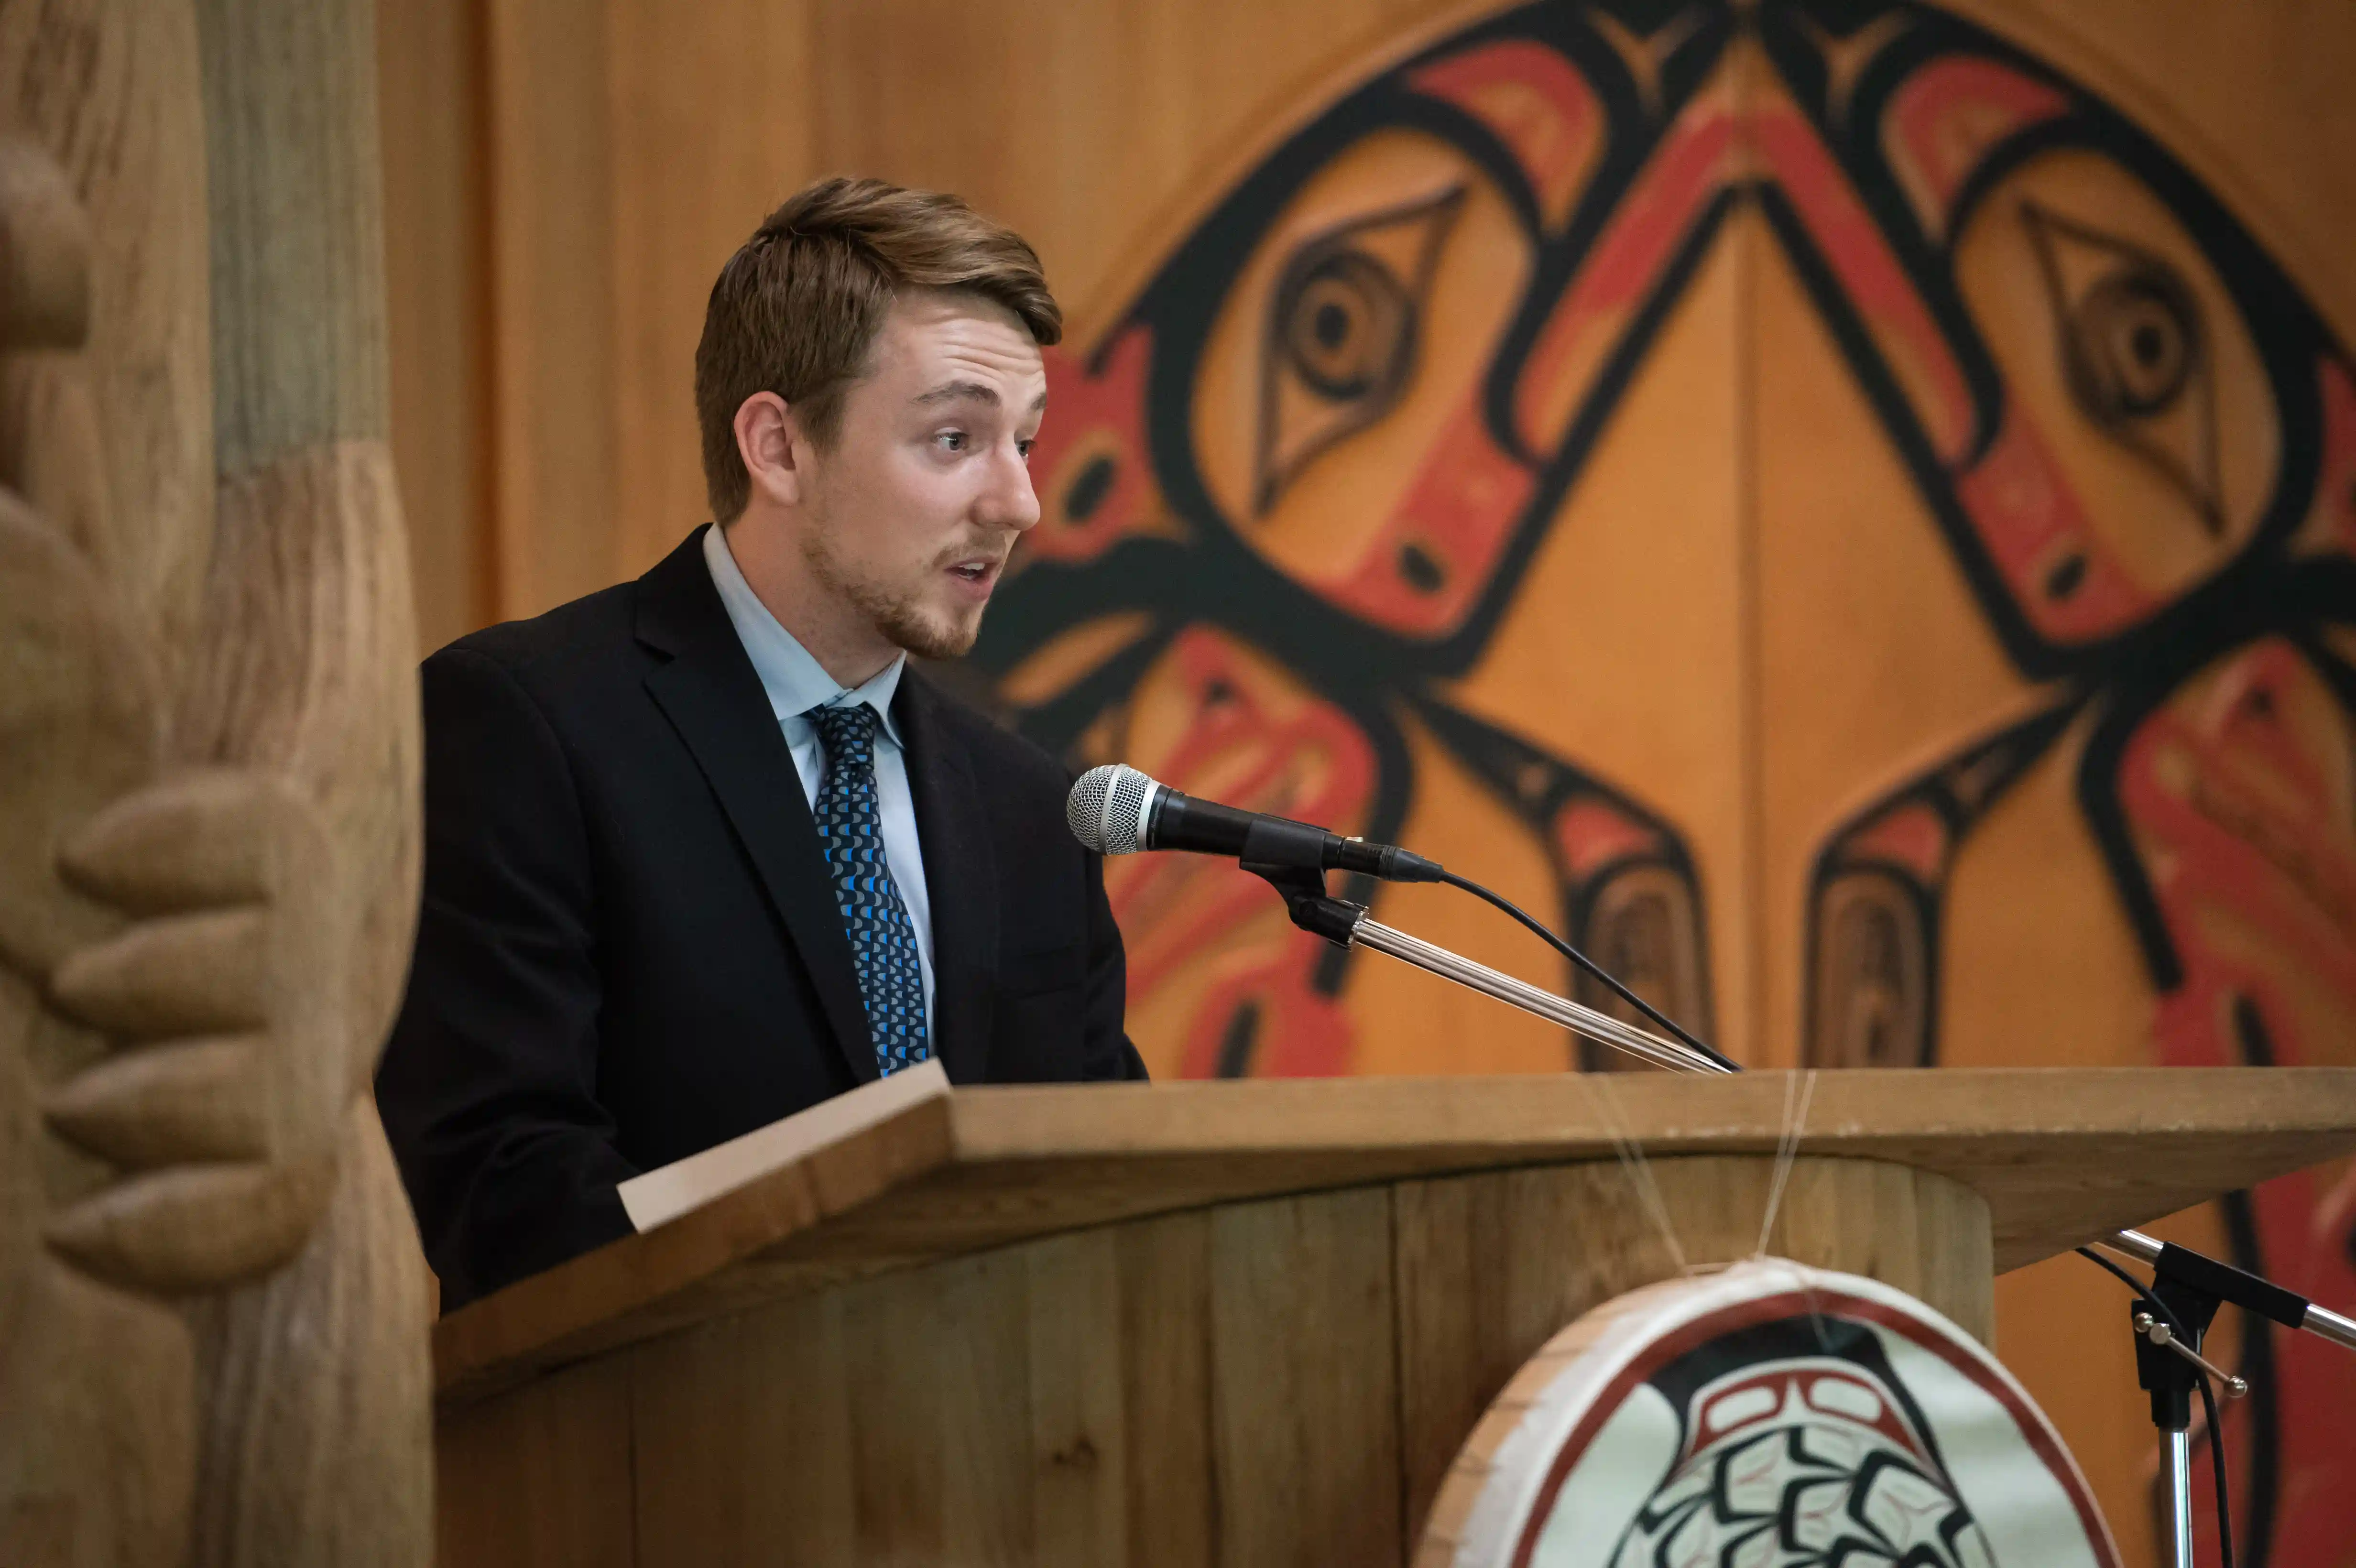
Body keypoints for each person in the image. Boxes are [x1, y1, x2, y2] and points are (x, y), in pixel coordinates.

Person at [376, 177, 1146, 1309]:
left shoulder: (1032, 806)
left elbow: (1117, 1189)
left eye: (1025, 443)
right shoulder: (524, 725)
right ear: (778, 446)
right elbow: (503, 1186)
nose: (1020, 502)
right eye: (954, 439)